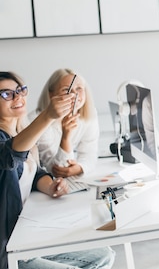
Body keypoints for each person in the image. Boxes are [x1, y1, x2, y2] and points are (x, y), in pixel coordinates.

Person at [0, 71, 115, 269]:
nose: (17, 97)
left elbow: (32, 172)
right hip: (9, 249)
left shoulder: (21, 130)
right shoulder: (14, 138)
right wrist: (48, 116)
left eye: (20, 91)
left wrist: (50, 185)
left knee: (103, 254)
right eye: (6, 94)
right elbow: (9, 157)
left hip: (25, 232)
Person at [26, 69, 99, 179]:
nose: (74, 94)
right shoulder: (37, 121)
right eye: (67, 90)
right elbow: (57, 169)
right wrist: (66, 138)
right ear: (51, 94)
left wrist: (79, 167)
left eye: (79, 88)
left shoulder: (89, 115)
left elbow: (90, 154)